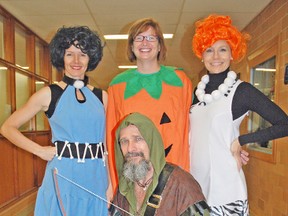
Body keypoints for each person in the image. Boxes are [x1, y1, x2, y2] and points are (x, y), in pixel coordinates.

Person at [0, 26, 113, 215]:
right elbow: (7, 127)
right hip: (63, 174)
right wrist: (39, 150)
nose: (76, 61)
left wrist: (109, 183)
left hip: (96, 176)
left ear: (90, 58)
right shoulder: (49, 94)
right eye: (70, 54)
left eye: (82, 54)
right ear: (61, 56)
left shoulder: (102, 97)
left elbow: (104, 145)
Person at [189, 14, 288, 215]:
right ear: (202, 55)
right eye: (209, 50)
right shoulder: (197, 92)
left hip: (226, 192)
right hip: (196, 187)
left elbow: (284, 124)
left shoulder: (241, 91)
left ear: (232, 53)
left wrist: (240, 140)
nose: (216, 56)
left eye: (222, 49)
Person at [107, 18, 192, 189]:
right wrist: (113, 183)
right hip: (134, 174)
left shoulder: (179, 81)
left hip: (172, 173)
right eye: (139, 38)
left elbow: (190, 129)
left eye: (151, 38)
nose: (145, 42)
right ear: (131, 46)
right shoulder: (117, 85)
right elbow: (112, 136)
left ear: (160, 45)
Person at [109, 112, 210, 216]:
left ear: (152, 141)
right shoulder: (124, 189)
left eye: (138, 139)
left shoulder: (182, 185)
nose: (130, 148)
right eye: (124, 141)